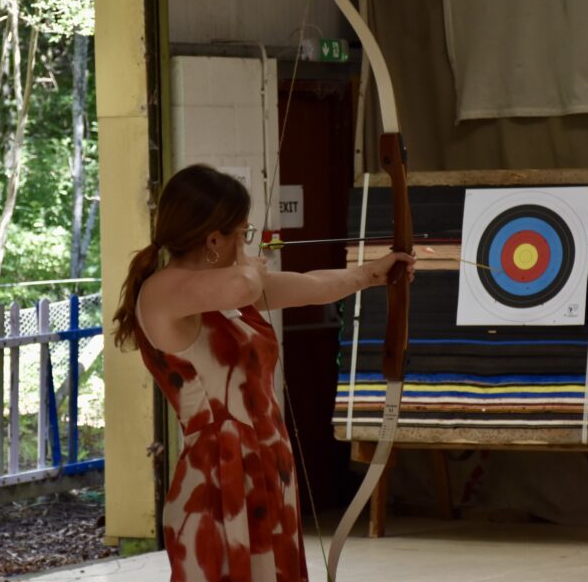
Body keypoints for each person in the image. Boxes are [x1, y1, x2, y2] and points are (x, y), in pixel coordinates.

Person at [112, 164, 415, 582]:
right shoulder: (164, 289)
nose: (247, 243)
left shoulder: (232, 288)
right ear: (214, 240)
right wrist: (251, 268)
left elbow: (312, 286)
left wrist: (370, 274)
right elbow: (245, 286)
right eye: (243, 233)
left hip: (267, 470)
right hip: (216, 479)